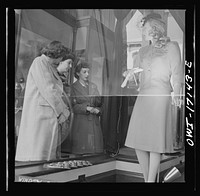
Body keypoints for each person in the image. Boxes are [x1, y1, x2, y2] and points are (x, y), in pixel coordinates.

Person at [124, 13, 184, 182]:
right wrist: (129, 73)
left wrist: (177, 94)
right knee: (137, 140)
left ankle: (151, 182)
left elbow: (177, 73)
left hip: (160, 95)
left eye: (145, 27)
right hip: (143, 95)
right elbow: (136, 72)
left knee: (154, 142)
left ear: (155, 28)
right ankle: (147, 180)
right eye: (142, 28)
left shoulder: (171, 46)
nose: (143, 31)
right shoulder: (142, 51)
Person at [15, 41, 71, 161]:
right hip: (41, 116)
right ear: (55, 54)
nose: (59, 61)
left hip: (46, 116)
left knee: (44, 155)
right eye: (60, 58)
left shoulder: (47, 65)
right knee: (39, 156)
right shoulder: (40, 62)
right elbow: (48, 90)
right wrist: (62, 111)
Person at [70, 61, 104, 155]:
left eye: (88, 72)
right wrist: (86, 108)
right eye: (84, 72)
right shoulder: (73, 88)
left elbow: (100, 103)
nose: (87, 74)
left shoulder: (93, 86)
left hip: (94, 122)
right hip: (81, 123)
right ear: (77, 73)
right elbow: (72, 106)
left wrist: (98, 110)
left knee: (95, 152)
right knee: (81, 151)